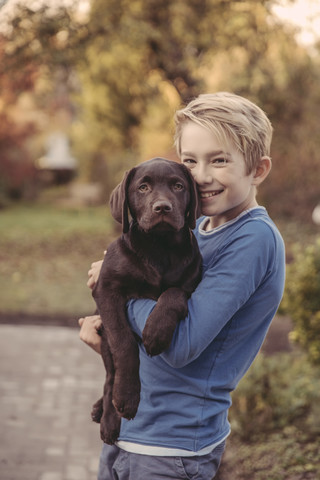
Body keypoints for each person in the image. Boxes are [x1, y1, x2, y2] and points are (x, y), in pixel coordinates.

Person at [79, 92, 286, 480]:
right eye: (190, 161)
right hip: (130, 430)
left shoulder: (253, 238)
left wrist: (116, 296)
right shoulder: (199, 231)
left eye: (219, 160)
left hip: (172, 449)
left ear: (258, 169)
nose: (201, 175)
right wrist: (112, 327)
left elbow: (179, 344)